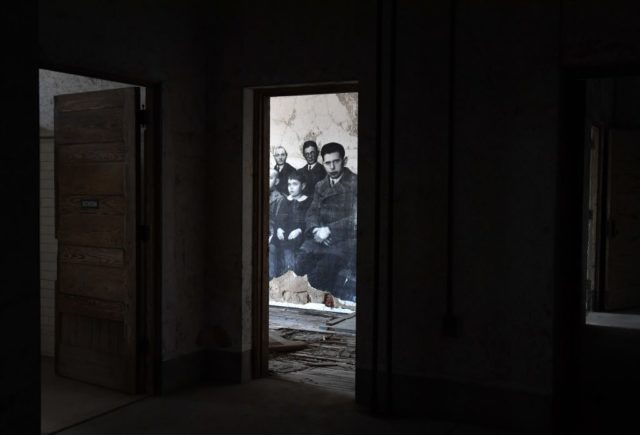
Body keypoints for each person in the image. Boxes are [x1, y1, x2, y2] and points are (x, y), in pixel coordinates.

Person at [295, 142, 357, 303]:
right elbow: (312, 212)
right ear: (323, 163)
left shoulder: (355, 183)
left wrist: (330, 230)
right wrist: (316, 229)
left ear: (345, 160)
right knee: (299, 263)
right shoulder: (320, 185)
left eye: (336, 161)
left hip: (345, 240)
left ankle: (329, 306)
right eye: (328, 163)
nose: (332, 167)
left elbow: (357, 218)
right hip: (319, 237)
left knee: (322, 271)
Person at [273, 171, 312, 272]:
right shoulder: (285, 200)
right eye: (289, 184)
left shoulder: (308, 201)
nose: (291, 187)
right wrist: (279, 229)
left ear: (302, 186)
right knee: (273, 248)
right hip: (284, 235)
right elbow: (278, 219)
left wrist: (299, 230)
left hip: (300, 236)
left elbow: (310, 220)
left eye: (295, 184)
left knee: (291, 250)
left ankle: (290, 273)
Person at [268, 168, 284, 279]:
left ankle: (271, 281)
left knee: (271, 248)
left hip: (273, 233)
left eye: (270, 178)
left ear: (277, 181)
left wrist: (271, 236)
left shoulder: (280, 198)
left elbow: (279, 222)